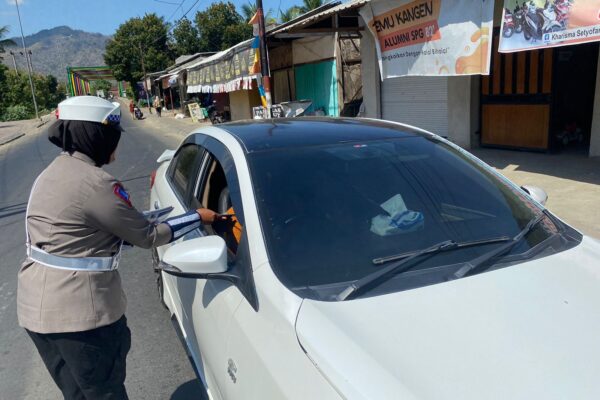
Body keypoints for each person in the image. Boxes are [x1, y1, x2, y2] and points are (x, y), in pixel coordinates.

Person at [17, 96, 221, 400]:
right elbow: (148, 237)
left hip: (36, 311)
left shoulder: (52, 173)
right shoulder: (97, 183)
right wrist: (197, 217)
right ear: (98, 136)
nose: (117, 145)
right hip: (80, 317)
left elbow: (78, 232)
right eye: (114, 136)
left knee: (77, 393)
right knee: (106, 393)